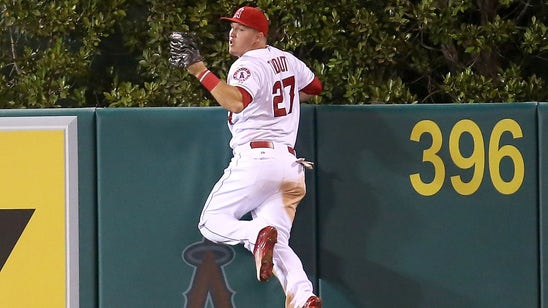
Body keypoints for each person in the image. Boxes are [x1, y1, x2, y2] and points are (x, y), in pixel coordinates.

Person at [168, 6, 323, 308]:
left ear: (259, 36)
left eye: (241, 28)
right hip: (290, 167)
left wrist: (200, 70)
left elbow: (237, 101)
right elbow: (314, 87)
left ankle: (256, 232)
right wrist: (285, 96)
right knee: (277, 244)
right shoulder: (288, 60)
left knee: (211, 222)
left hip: (257, 162)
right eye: (232, 27)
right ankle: (304, 297)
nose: (232, 33)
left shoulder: (247, 64)